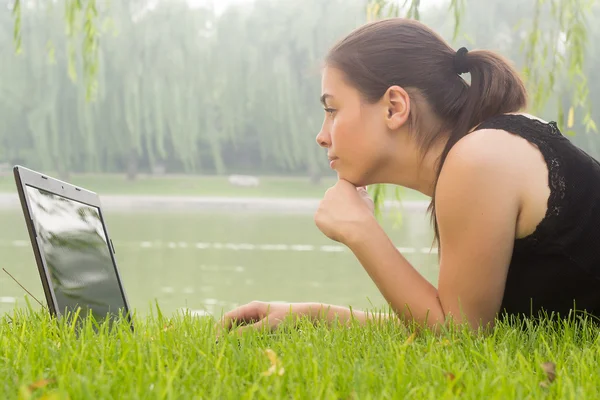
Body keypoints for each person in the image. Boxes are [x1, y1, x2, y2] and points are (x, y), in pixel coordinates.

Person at [217, 17, 600, 334]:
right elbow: (455, 317)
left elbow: (459, 336)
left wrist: (361, 230)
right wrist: (315, 315)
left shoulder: (478, 159)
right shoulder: (482, 150)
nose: (322, 135)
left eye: (332, 110)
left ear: (394, 107)